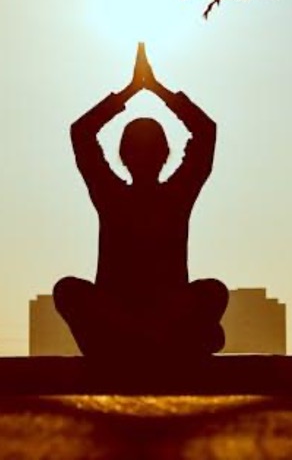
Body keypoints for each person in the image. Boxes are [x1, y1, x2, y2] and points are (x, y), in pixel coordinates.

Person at [54, 44, 229, 359]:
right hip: (130, 319)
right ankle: (153, 338)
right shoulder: (133, 194)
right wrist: (152, 90)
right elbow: (205, 131)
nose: (144, 156)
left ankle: (146, 337)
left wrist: (134, 91)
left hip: (147, 318)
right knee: (67, 290)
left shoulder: (127, 194)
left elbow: (82, 133)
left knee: (213, 291)